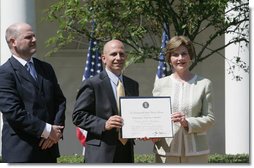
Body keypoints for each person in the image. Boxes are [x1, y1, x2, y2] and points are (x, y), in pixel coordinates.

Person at [0, 22, 66, 163]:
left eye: (34, 36)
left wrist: (56, 132)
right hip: (21, 152)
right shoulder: (5, 73)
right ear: (13, 42)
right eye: (28, 37)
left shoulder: (46, 68)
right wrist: (47, 131)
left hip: (49, 150)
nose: (34, 40)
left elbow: (60, 101)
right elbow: (13, 112)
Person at [72, 39, 139, 163]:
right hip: (101, 153)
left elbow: (135, 116)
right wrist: (104, 124)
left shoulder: (132, 85)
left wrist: (143, 129)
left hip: (126, 151)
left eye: (122, 54)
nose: (118, 58)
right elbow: (78, 116)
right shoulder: (92, 84)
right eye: (113, 54)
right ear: (104, 58)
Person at [151, 35, 215, 163]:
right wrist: (151, 132)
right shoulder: (160, 84)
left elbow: (209, 118)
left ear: (190, 57)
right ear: (169, 59)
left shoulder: (204, 84)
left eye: (184, 54)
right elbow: (154, 117)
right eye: (175, 54)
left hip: (196, 153)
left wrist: (187, 122)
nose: (180, 58)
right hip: (166, 152)